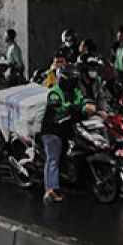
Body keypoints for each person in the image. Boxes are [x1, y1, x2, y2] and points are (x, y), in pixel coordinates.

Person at [40, 65, 95, 202]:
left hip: (68, 129)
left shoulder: (76, 91)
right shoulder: (54, 92)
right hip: (53, 130)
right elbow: (61, 107)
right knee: (53, 159)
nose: (73, 82)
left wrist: (89, 105)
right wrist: (79, 108)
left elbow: (84, 99)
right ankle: (50, 189)